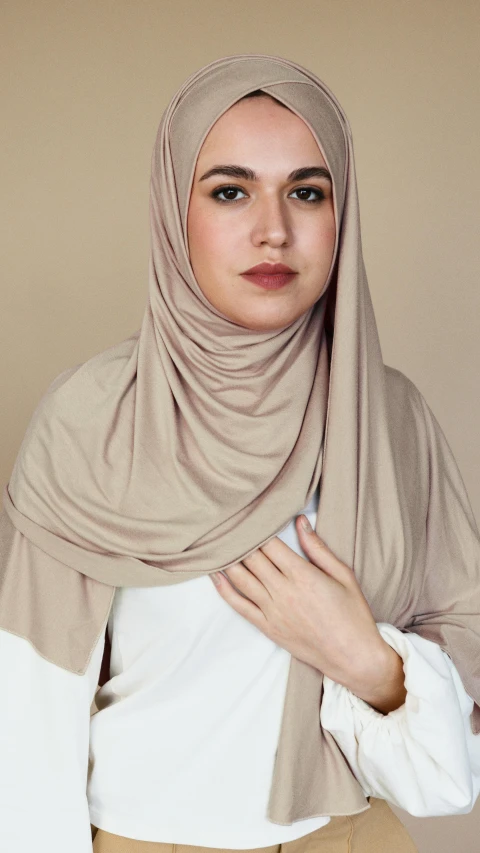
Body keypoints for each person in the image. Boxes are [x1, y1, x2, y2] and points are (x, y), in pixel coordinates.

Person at [1, 54, 480, 853]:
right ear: (172, 209)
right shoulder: (91, 421)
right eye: (230, 190)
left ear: (342, 213)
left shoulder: (391, 417)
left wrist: (363, 658)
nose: (273, 230)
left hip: (359, 834)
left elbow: (458, 714)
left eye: (306, 191)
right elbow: (27, 707)